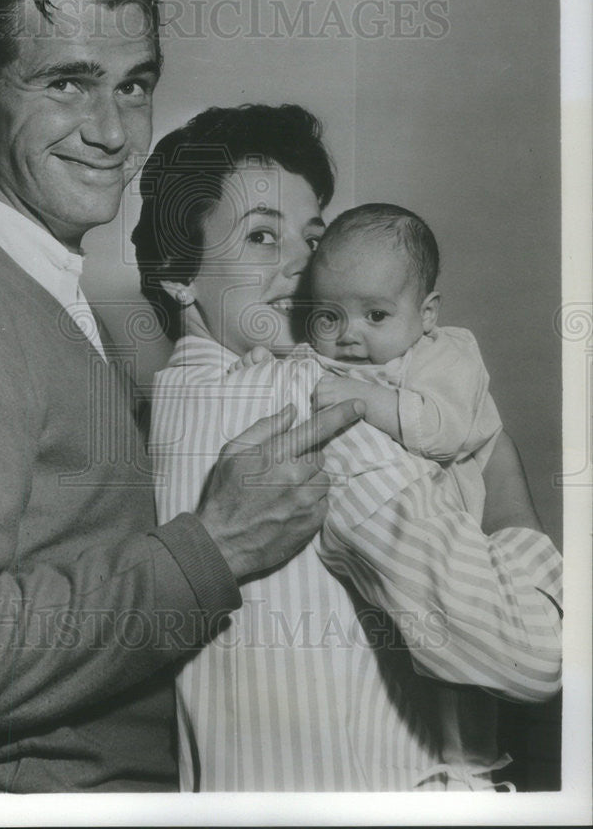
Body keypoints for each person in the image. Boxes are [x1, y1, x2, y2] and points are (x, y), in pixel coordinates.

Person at [0, 0, 363, 793]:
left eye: (135, 85)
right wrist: (213, 548)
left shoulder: (30, 289)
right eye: (68, 82)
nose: (115, 131)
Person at [133, 104, 563, 791]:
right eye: (262, 237)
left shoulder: (154, 421)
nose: (306, 269)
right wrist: (502, 480)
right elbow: (532, 651)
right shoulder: (318, 400)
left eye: (310, 239)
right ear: (179, 273)